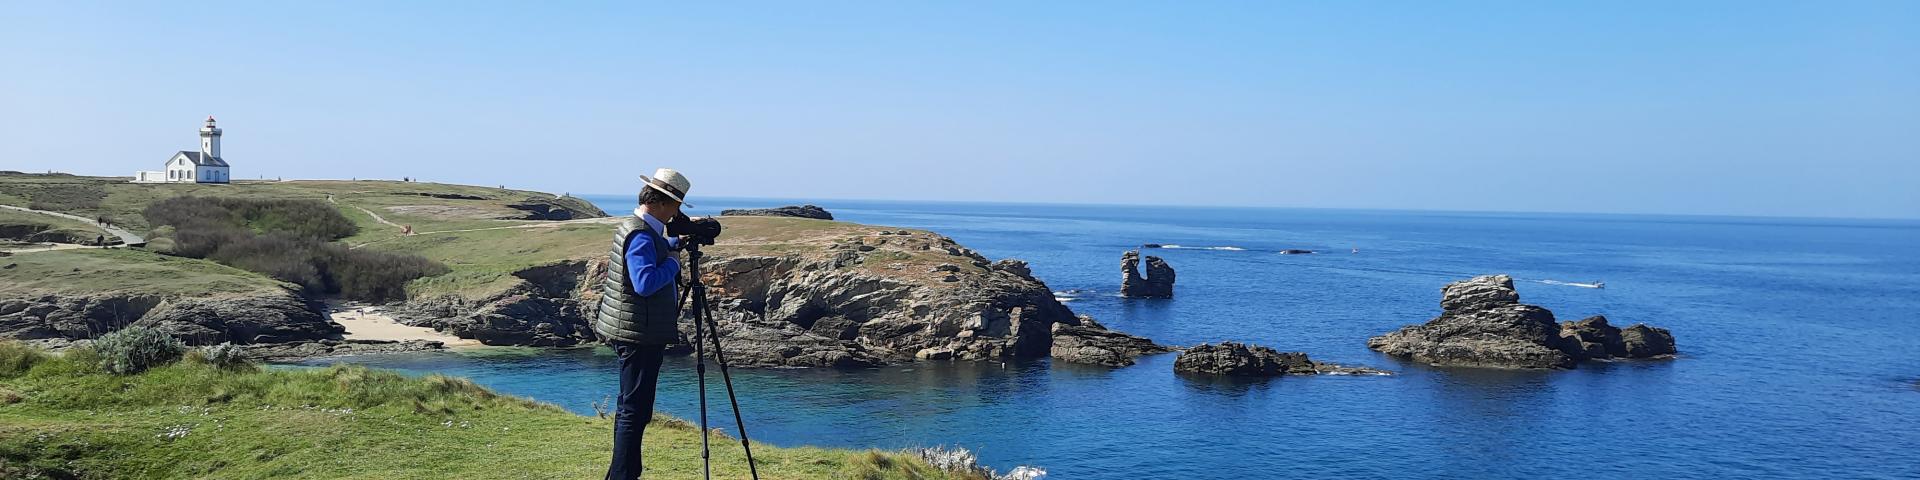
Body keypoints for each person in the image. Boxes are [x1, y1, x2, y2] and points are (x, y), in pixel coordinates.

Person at [596, 168, 695, 480]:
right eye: (676, 206)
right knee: (634, 411)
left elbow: (651, 254)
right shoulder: (640, 234)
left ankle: (624, 472)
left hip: (635, 328)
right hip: (638, 333)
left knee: (631, 408)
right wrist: (674, 262)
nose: (676, 213)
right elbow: (645, 282)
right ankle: (623, 476)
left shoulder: (641, 229)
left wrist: (672, 245)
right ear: (663, 203)